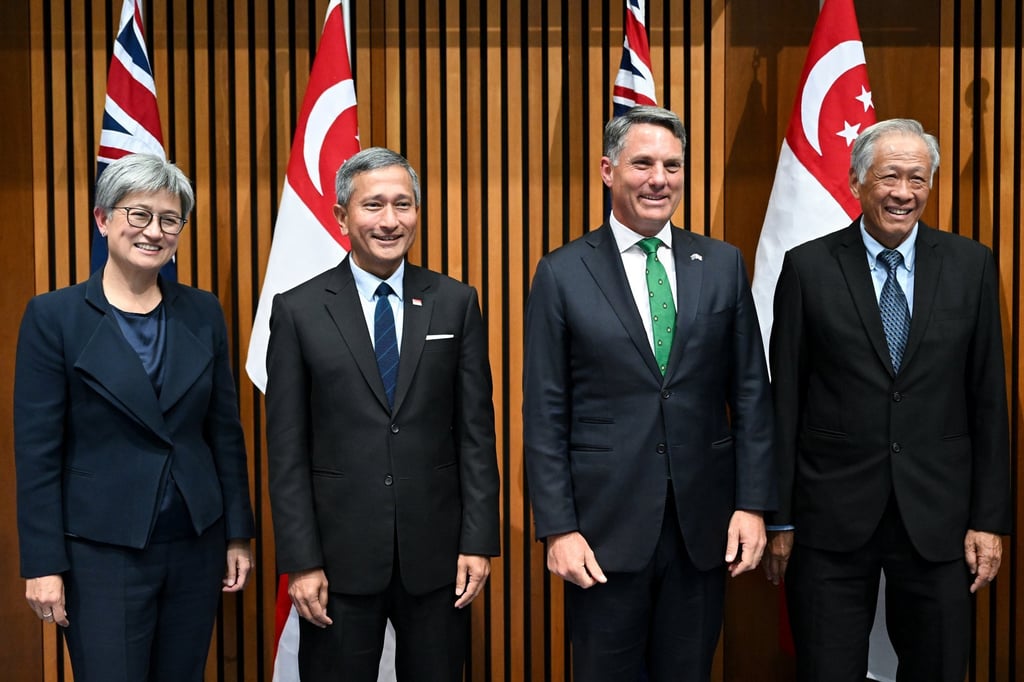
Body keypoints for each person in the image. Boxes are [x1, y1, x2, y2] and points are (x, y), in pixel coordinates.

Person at [522, 105, 776, 682]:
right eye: (643, 164)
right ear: (608, 170)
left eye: (672, 165)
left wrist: (753, 505)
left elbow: (752, 396)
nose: (659, 179)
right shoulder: (562, 273)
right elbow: (544, 411)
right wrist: (558, 528)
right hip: (601, 535)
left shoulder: (721, 265)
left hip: (703, 529)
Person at [763, 118, 1011, 682]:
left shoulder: (971, 266)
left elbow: (989, 401)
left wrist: (988, 519)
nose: (904, 192)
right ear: (856, 182)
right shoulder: (807, 268)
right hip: (830, 518)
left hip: (941, 520)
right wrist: (779, 518)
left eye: (918, 179)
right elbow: (785, 404)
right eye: (889, 176)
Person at [14, 153, 256, 682]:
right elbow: (37, 454)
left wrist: (238, 534)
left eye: (170, 220)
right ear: (104, 220)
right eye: (138, 215)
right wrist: (42, 563)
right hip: (101, 553)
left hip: (195, 544)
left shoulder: (203, 310)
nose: (154, 232)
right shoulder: (54, 317)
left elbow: (224, 431)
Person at [265, 147, 500, 681]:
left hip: (438, 559)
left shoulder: (455, 302)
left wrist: (477, 542)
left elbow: (476, 436)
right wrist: (300, 560)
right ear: (341, 215)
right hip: (337, 562)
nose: (390, 220)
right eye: (373, 205)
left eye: (404, 204)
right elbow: (286, 450)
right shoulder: (298, 310)